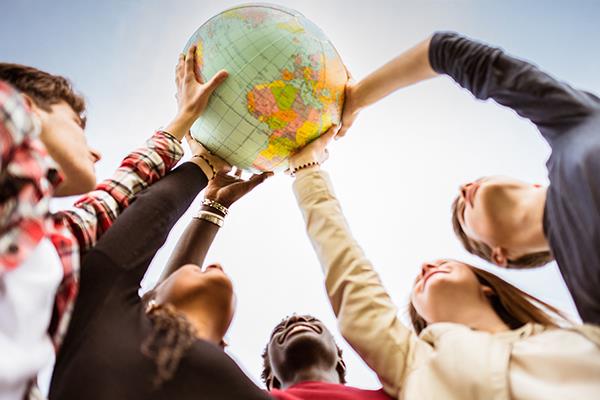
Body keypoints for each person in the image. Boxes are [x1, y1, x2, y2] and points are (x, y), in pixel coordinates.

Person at [286, 127, 600, 399]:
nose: (425, 268)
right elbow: (350, 272)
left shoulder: (579, 336)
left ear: (488, 286)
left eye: (443, 262)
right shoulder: (413, 363)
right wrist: (308, 171)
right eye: (415, 290)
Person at [0, 44, 227, 398]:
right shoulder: (6, 114)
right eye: (77, 124)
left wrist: (200, 153)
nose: (95, 152)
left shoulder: (53, 245)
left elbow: (114, 198)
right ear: (27, 110)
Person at [337, 31, 600, 324]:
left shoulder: (570, 122)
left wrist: (356, 98)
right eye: (463, 214)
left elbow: (445, 51)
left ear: (535, 183)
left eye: (476, 182)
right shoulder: (589, 298)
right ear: (500, 256)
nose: (464, 190)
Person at [48, 157, 273, 399]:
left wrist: (206, 164)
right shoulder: (99, 314)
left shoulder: (103, 313)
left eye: (199, 268)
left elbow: (153, 212)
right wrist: (210, 193)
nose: (215, 265)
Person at [261, 314, 391, 399]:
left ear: (340, 362)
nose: (295, 319)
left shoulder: (401, 393)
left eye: (313, 321)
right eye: (279, 330)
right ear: (271, 379)